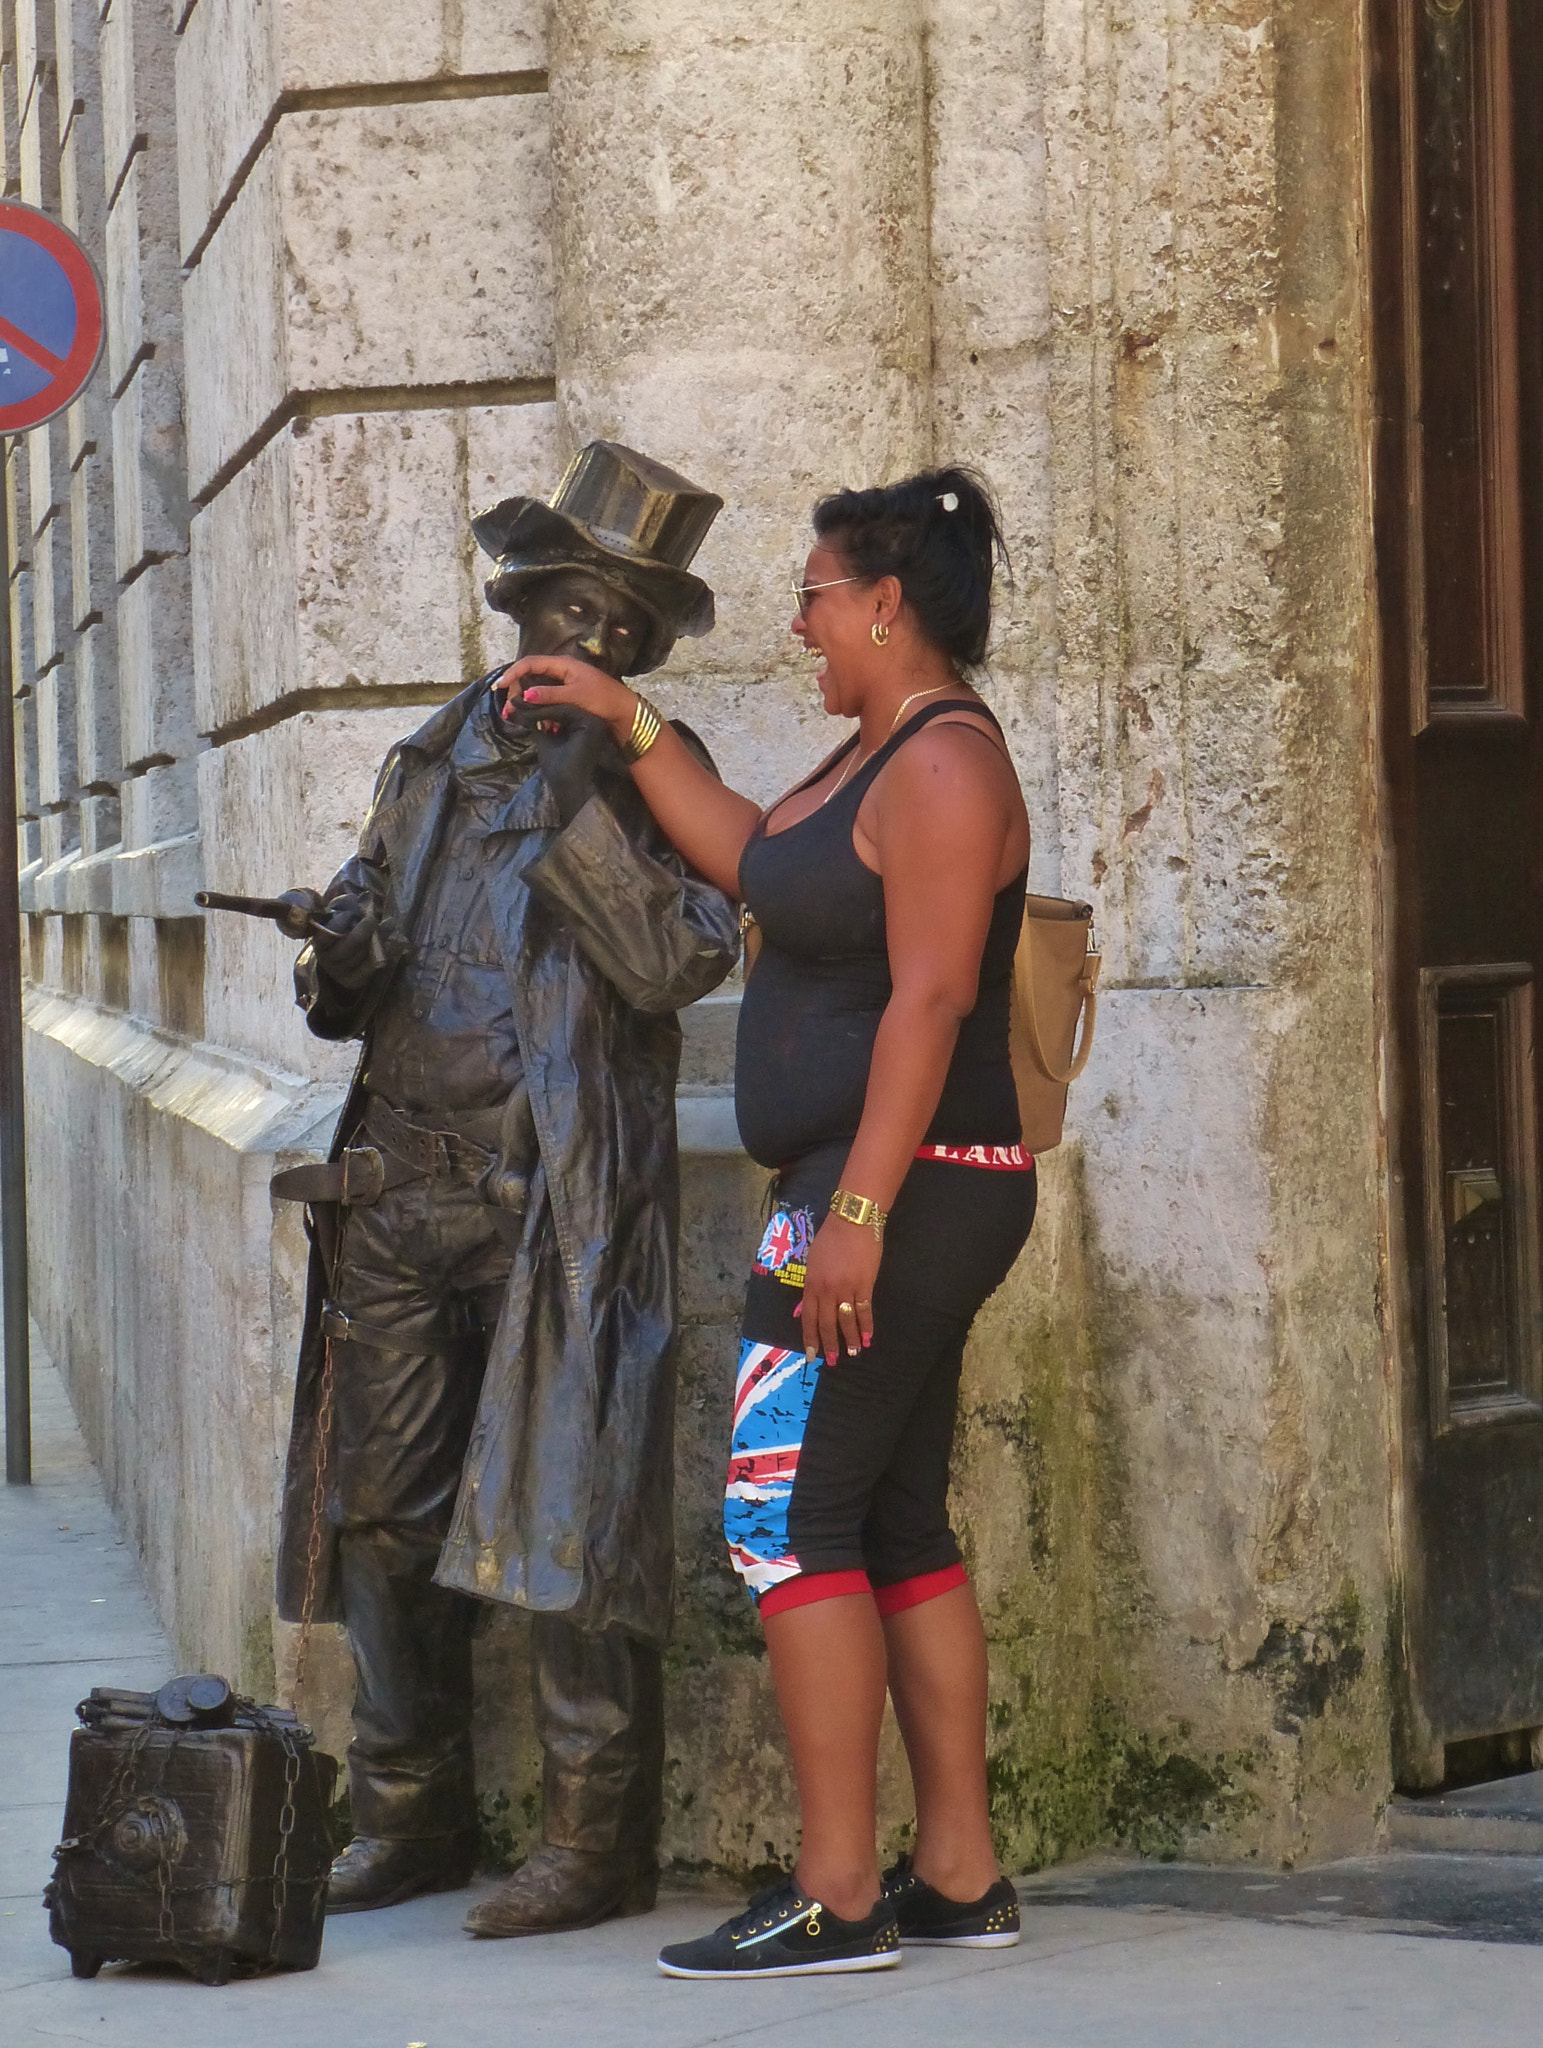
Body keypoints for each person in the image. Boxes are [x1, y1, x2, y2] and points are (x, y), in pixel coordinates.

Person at [496, 466, 1036, 1978]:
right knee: (893, 1520)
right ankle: (958, 1876)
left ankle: (837, 1894)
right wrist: (626, 716)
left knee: (780, 1519)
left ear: (883, 604)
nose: (799, 626)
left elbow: (930, 998)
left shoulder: (942, 766)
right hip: (895, 1190)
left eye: (810, 599)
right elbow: (743, 851)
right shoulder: (867, 756)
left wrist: (854, 1211)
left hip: (897, 1195)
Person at [269, 442, 739, 1937]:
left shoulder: (661, 778)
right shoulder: (424, 758)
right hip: (400, 1193)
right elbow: (345, 991)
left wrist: (584, 797)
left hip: (558, 1209)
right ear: (523, 605)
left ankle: (594, 1847)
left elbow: (678, 959)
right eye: (568, 613)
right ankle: (410, 1814)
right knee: (383, 1514)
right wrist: (336, 956)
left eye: (619, 631)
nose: (584, 648)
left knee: (568, 1520)